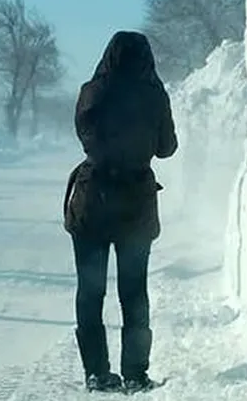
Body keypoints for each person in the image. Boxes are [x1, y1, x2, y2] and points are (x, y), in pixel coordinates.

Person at [62, 30, 178, 393]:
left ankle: (96, 372)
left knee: (90, 290)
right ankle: (135, 374)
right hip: (135, 203)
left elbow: (85, 134)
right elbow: (167, 148)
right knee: (134, 292)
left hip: (92, 199)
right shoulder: (154, 96)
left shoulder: (91, 92)